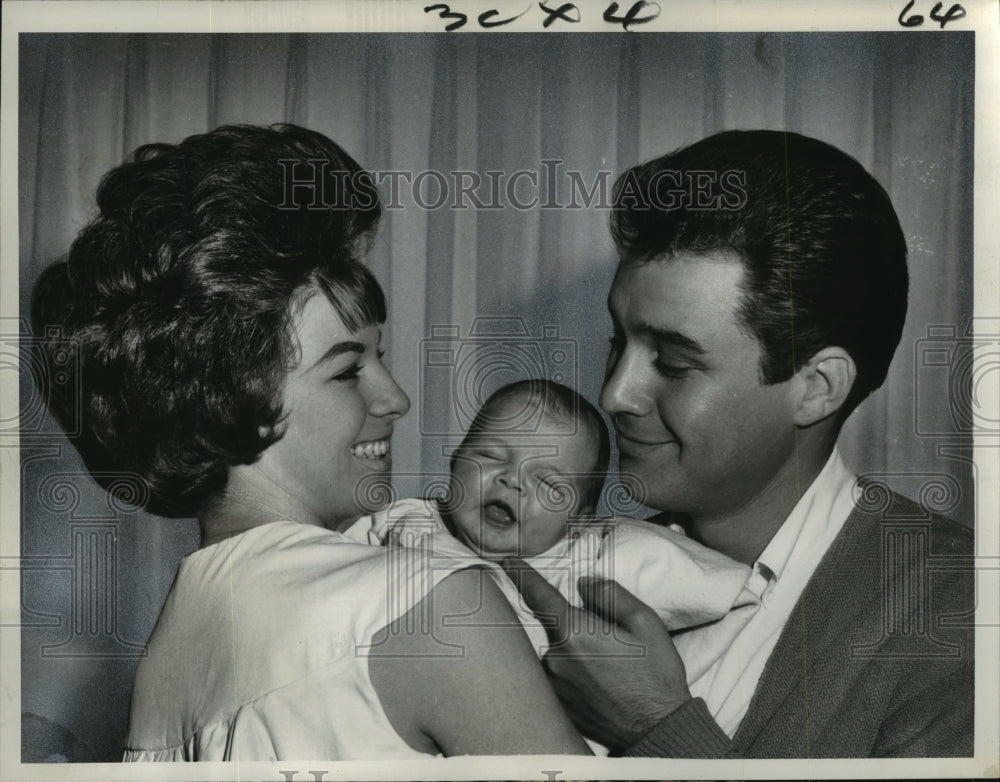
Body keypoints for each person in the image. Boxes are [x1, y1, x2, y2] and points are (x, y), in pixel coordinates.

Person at [30, 124, 590, 760]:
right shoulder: (424, 605)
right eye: (348, 370)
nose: (396, 399)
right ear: (232, 399)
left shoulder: (168, 661)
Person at [503, 130, 975, 758]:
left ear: (816, 388)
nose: (615, 393)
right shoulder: (579, 557)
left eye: (671, 361)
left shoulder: (962, 613)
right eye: (619, 342)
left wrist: (654, 727)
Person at [348, 379, 757, 684]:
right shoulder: (404, 521)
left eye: (547, 483)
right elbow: (326, 569)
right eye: (490, 456)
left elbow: (698, 578)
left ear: (580, 519)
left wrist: (741, 588)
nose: (512, 480)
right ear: (455, 463)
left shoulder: (582, 563)